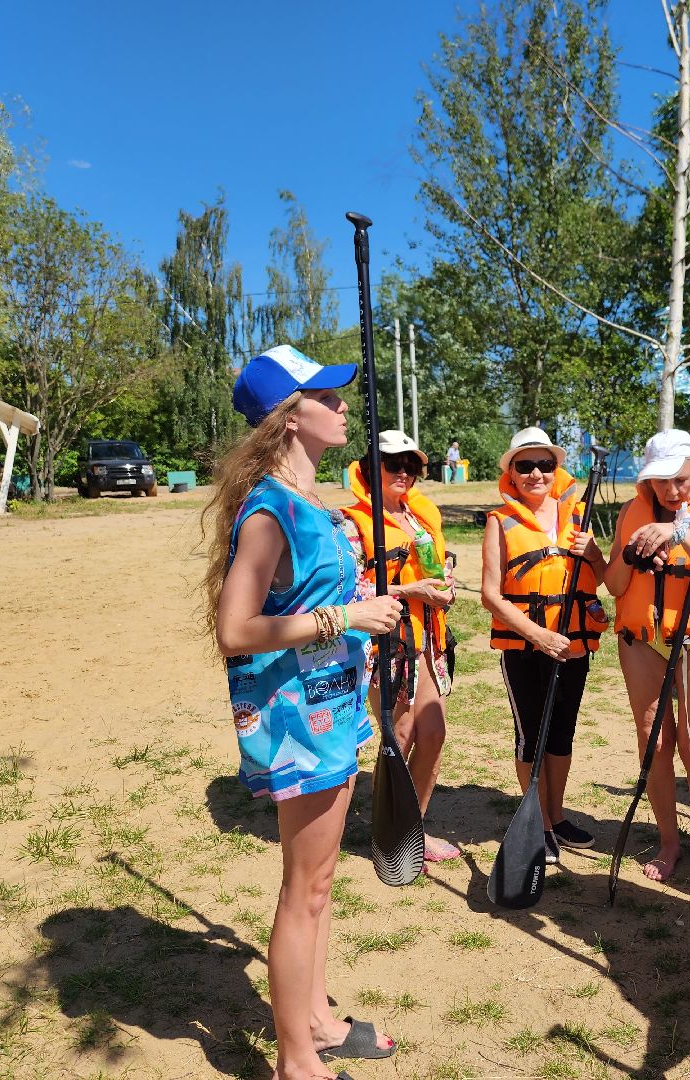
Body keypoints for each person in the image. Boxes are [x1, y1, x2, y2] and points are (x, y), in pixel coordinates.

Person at [204, 344, 402, 1080]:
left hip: (335, 707)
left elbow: (318, 601)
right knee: (305, 886)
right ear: (290, 417)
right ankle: (295, 1061)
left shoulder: (309, 501)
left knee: (319, 884)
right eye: (328, 396)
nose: (343, 406)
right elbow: (237, 629)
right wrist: (346, 617)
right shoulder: (269, 512)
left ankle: (315, 1018)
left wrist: (392, 604)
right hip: (297, 724)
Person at [602, 429, 690, 882]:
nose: (672, 490)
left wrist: (679, 533)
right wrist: (633, 552)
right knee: (654, 744)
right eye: (661, 481)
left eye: (680, 479)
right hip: (645, 638)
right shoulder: (631, 512)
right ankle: (668, 841)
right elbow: (616, 586)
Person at [481, 427, 608, 863]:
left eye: (545, 464)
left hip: (573, 645)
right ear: (511, 475)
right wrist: (537, 634)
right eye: (525, 466)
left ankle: (556, 815)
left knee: (561, 735)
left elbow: (607, 578)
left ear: (557, 470)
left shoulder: (580, 519)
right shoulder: (499, 522)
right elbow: (490, 595)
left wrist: (593, 554)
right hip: (524, 647)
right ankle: (538, 823)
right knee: (531, 737)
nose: (536, 473)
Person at [341, 430, 459, 864]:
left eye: (413, 466)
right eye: (395, 464)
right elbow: (349, 590)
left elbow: (438, 570)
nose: (405, 473)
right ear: (372, 470)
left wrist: (445, 588)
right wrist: (412, 589)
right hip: (385, 641)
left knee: (433, 733)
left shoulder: (420, 518)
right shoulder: (353, 522)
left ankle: (415, 829)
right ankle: (387, 832)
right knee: (402, 732)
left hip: (428, 637)